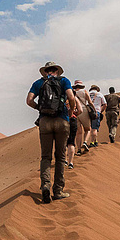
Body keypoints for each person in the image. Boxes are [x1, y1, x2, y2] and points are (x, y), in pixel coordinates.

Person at [26, 61, 76, 203]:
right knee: (60, 157)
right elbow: (71, 97)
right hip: (62, 121)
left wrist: (39, 109)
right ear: (57, 71)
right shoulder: (64, 81)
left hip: (45, 122)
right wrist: (71, 111)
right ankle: (58, 190)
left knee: (46, 157)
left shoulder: (38, 83)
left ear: (46, 71)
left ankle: (45, 186)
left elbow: (29, 100)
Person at [72, 80, 93, 153]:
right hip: (83, 110)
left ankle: (78, 149)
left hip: (75, 111)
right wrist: (94, 110)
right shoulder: (84, 92)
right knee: (88, 129)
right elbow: (90, 102)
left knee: (78, 132)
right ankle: (85, 142)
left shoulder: (72, 93)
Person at [65, 96, 79, 170]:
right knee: (71, 142)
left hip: (62, 120)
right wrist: (75, 114)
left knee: (62, 141)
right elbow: (80, 110)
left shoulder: (62, 97)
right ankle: (71, 162)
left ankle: (64, 160)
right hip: (73, 120)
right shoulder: (74, 99)